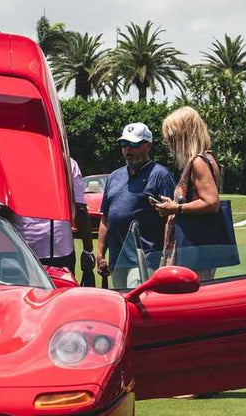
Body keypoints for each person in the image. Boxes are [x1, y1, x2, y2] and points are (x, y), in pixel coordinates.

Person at [95, 123, 176, 289]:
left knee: (138, 306)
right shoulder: (114, 177)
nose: (127, 151)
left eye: (133, 145)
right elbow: (106, 219)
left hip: (145, 259)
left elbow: (171, 219)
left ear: (148, 146)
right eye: (124, 145)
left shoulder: (161, 175)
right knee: (122, 305)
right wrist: (100, 253)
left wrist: (168, 257)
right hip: (117, 260)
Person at [154, 106, 224, 278]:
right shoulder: (207, 159)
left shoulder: (198, 162)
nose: (170, 144)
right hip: (199, 246)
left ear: (185, 135)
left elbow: (211, 202)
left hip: (193, 248)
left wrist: (175, 208)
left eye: (173, 138)